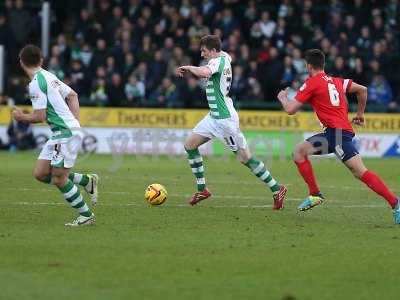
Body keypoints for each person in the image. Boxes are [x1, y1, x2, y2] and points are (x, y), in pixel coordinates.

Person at [277, 49, 399, 224]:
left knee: (360, 172)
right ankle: (314, 194)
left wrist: (283, 98)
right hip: (335, 133)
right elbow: (362, 90)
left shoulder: (311, 82)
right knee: (299, 152)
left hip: (337, 134)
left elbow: (290, 109)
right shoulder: (336, 81)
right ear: (323, 65)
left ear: (308, 66)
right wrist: (360, 114)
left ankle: (396, 203)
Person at [177, 35, 287, 207]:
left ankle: (276, 188)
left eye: (204, 51)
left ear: (213, 51)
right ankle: (202, 190)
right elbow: (219, 62)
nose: (201, 53)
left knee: (245, 158)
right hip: (213, 117)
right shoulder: (225, 56)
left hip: (225, 120)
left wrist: (188, 67)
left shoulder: (217, 62)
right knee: (190, 145)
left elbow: (204, 72)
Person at [12, 45, 99, 226]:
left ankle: (86, 215)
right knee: (41, 174)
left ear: (21, 63)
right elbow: (73, 95)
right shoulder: (49, 76)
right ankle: (87, 180)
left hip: (65, 133)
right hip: (62, 133)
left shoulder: (36, 83)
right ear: (41, 60)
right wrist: (75, 123)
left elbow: (39, 116)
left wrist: (21, 117)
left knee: (59, 178)